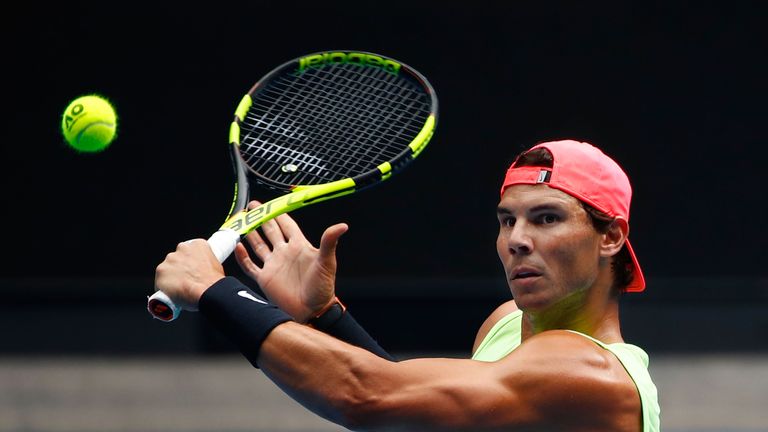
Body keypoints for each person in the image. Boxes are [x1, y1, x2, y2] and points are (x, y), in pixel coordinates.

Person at [155, 139, 661, 431]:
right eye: (507, 221)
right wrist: (323, 317)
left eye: (547, 219)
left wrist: (214, 291)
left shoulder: (591, 374)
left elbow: (366, 395)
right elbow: (414, 414)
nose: (517, 241)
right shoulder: (506, 324)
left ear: (610, 236)